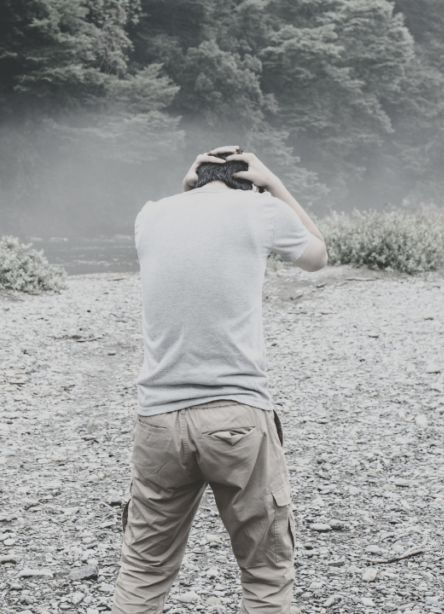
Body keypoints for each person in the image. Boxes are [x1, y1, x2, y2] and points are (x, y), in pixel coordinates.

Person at [112, 146, 328, 614]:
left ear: (196, 178)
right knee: (265, 572)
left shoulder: (150, 216)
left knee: (144, 572)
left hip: (158, 421)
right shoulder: (262, 209)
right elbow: (319, 255)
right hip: (238, 417)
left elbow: (186, 227)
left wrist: (186, 185)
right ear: (248, 181)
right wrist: (275, 184)